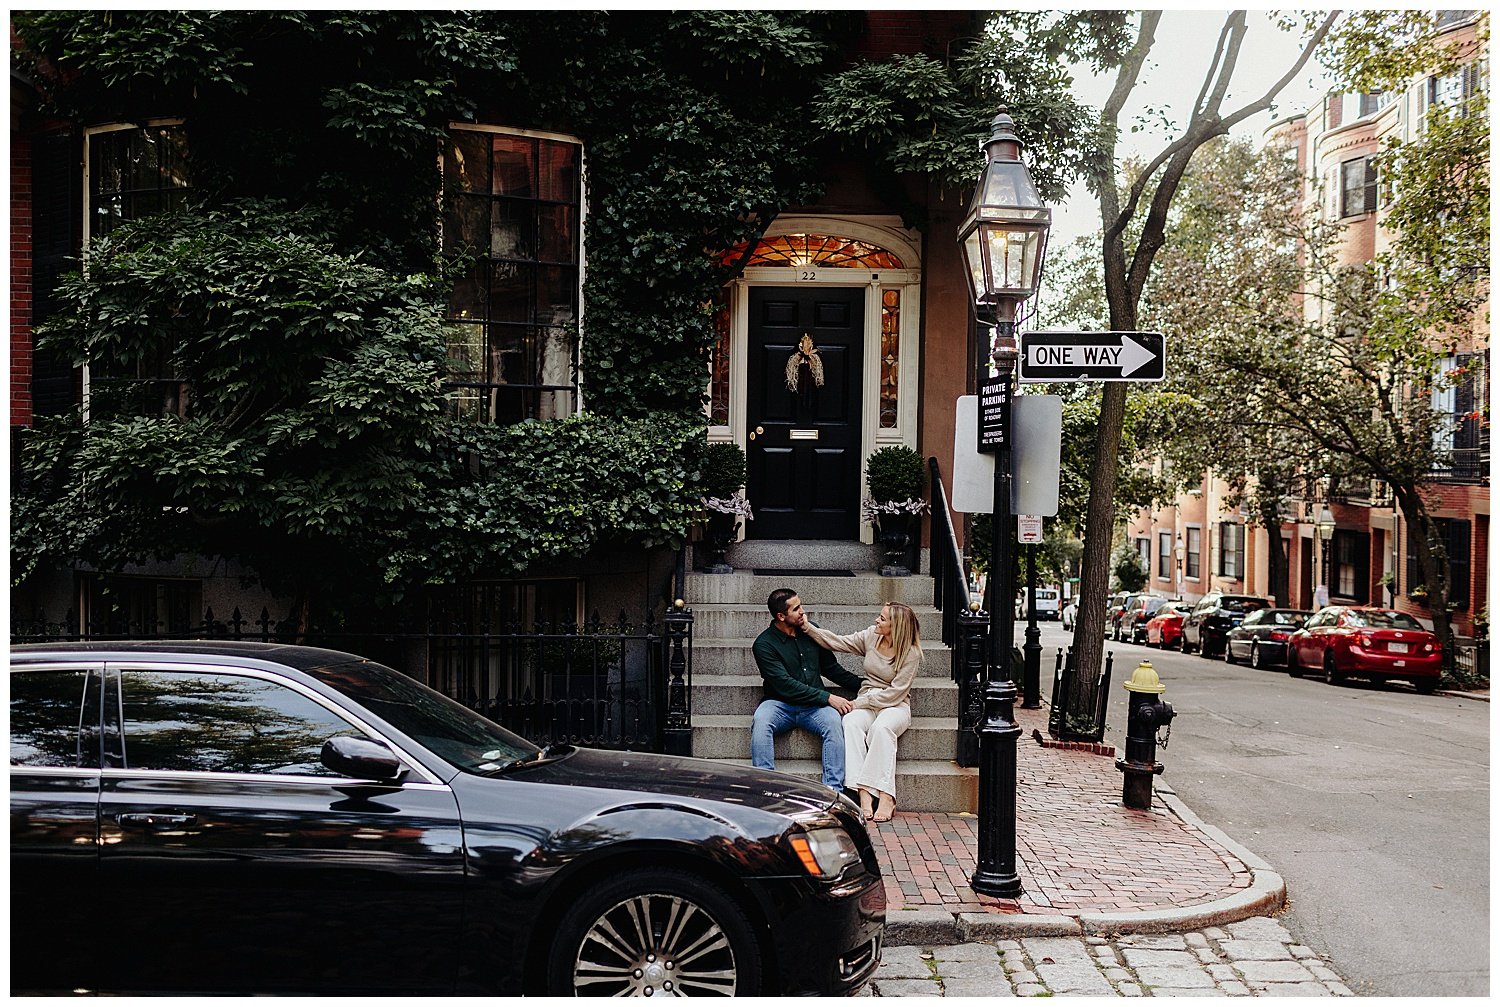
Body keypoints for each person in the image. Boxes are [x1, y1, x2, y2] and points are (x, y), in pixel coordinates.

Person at [801, 602, 921, 822]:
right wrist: (808, 628)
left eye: (883, 619)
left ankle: (886, 796)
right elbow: (838, 642)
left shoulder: (910, 653)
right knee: (851, 723)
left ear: (897, 626)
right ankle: (863, 794)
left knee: (881, 728)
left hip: (895, 705)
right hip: (867, 700)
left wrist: (862, 701)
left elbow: (896, 693)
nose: (877, 620)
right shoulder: (871, 636)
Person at [750, 588, 864, 791]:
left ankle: (833, 790)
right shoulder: (764, 644)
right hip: (779, 704)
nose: (803, 611)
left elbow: (831, 669)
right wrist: (828, 697)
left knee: (833, 723)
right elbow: (784, 684)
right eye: (796, 609)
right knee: (761, 721)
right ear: (781, 616)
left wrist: (865, 686)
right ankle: (765, 786)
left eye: (800, 605)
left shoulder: (812, 631)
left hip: (814, 707)